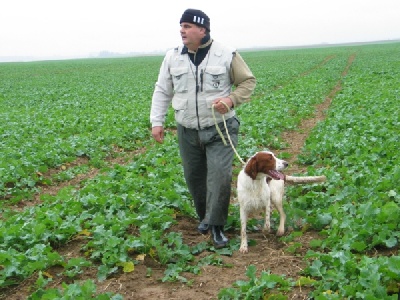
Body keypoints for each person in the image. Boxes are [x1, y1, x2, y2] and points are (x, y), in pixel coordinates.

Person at [150, 8, 256, 248]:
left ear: (202, 29)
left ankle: (217, 226)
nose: (182, 30)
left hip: (220, 128)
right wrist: (157, 121)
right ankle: (205, 218)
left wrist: (230, 100)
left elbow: (248, 81)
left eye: (187, 26)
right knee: (195, 178)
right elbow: (163, 90)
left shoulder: (226, 54)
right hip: (187, 130)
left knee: (219, 177)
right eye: (181, 26)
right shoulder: (173, 57)